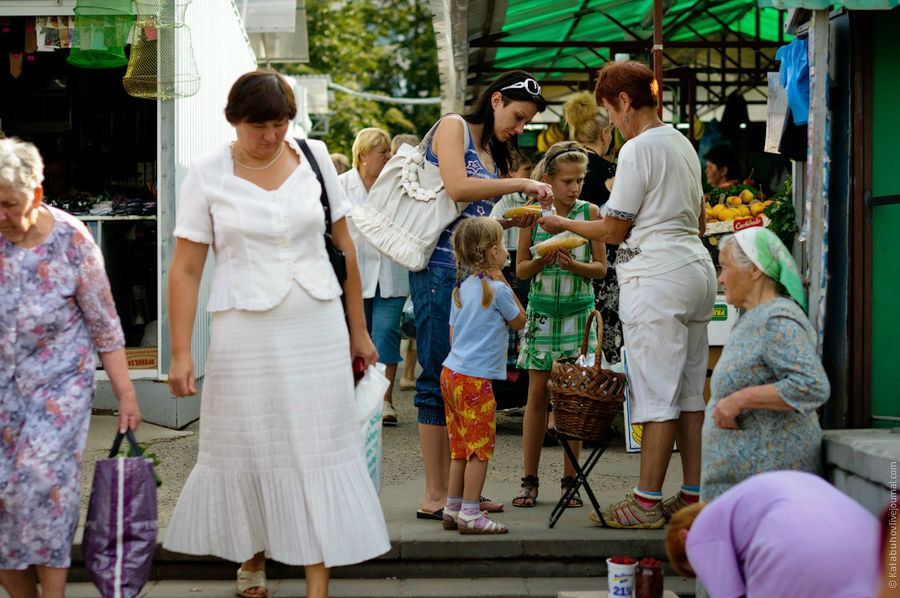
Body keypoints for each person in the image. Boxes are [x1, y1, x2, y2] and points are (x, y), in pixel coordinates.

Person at [163, 71, 389, 598]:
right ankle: (252, 556)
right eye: (258, 126)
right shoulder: (206, 172)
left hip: (316, 323)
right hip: (244, 331)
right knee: (250, 443)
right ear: (233, 121)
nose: (270, 136)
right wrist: (179, 353)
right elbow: (186, 269)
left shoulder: (312, 157)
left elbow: (346, 249)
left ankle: (317, 584)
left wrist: (359, 332)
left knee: (318, 445)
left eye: (280, 123)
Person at [539, 61, 716, 529]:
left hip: (657, 277)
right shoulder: (682, 142)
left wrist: (563, 223)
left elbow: (614, 229)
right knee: (690, 393)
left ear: (622, 101)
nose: (612, 125)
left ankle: (645, 501)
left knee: (657, 394)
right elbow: (699, 223)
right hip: (697, 269)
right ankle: (691, 495)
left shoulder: (639, 149)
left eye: (610, 113)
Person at [0, 137, 141, 598]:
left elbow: (104, 322)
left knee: (42, 482)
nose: (0, 215)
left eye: (9, 204)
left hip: (57, 386)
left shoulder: (71, 239)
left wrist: (126, 393)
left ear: (36, 195)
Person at [410, 70, 552, 522]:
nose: (519, 127)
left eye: (526, 121)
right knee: (437, 376)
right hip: (438, 270)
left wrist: (511, 223)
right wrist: (518, 185)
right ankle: (435, 494)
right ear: (494, 101)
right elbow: (457, 187)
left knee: (466, 380)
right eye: (517, 116)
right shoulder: (454, 127)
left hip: (468, 274)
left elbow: (475, 218)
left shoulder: (492, 150)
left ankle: (463, 495)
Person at [702, 228, 830, 502]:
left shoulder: (778, 320)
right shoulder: (754, 318)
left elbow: (812, 385)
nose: (721, 279)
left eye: (725, 267)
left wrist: (740, 399)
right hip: (750, 487)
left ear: (756, 269)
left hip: (770, 490)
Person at [512, 141, 607, 508]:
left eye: (580, 180)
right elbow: (521, 268)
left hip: (578, 317)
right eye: (568, 180)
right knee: (536, 398)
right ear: (549, 179)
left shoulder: (591, 212)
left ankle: (570, 482)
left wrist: (574, 266)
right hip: (542, 316)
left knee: (574, 403)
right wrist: (543, 259)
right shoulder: (532, 215)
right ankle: (529, 480)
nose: (575, 187)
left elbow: (600, 269)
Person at [439, 217, 526, 534]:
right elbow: (520, 322)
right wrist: (505, 282)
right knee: (480, 449)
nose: (506, 251)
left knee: (460, 447)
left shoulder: (460, 290)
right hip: (475, 381)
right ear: (492, 253)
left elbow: (453, 339)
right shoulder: (499, 290)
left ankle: (453, 506)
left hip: (451, 374)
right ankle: (472, 513)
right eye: (503, 245)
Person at [666, 470, 881, 598]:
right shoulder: (744, 500)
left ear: (685, 536)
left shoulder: (700, 533)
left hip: (795, 552)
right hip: (876, 551)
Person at [341, 127, 408, 426]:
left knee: (386, 335)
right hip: (355, 276)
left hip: (391, 275)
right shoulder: (341, 185)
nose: (389, 156)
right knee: (357, 336)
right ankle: (356, 400)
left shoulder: (396, 185)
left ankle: (384, 402)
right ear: (363, 156)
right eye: (382, 152)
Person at [562, 90, 623, 365]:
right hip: (602, 266)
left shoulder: (556, 167)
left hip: (560, 261)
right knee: (602, 334)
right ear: (604, 135)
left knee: (569, 338)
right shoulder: (612, 173)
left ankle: (565, 393)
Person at [390, 133, 422, 392]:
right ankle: (407, 373)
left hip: (409, 257)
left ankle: (408, 373)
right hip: (400, 260)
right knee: (407, 318)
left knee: (411, 317)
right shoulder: (408, 180)